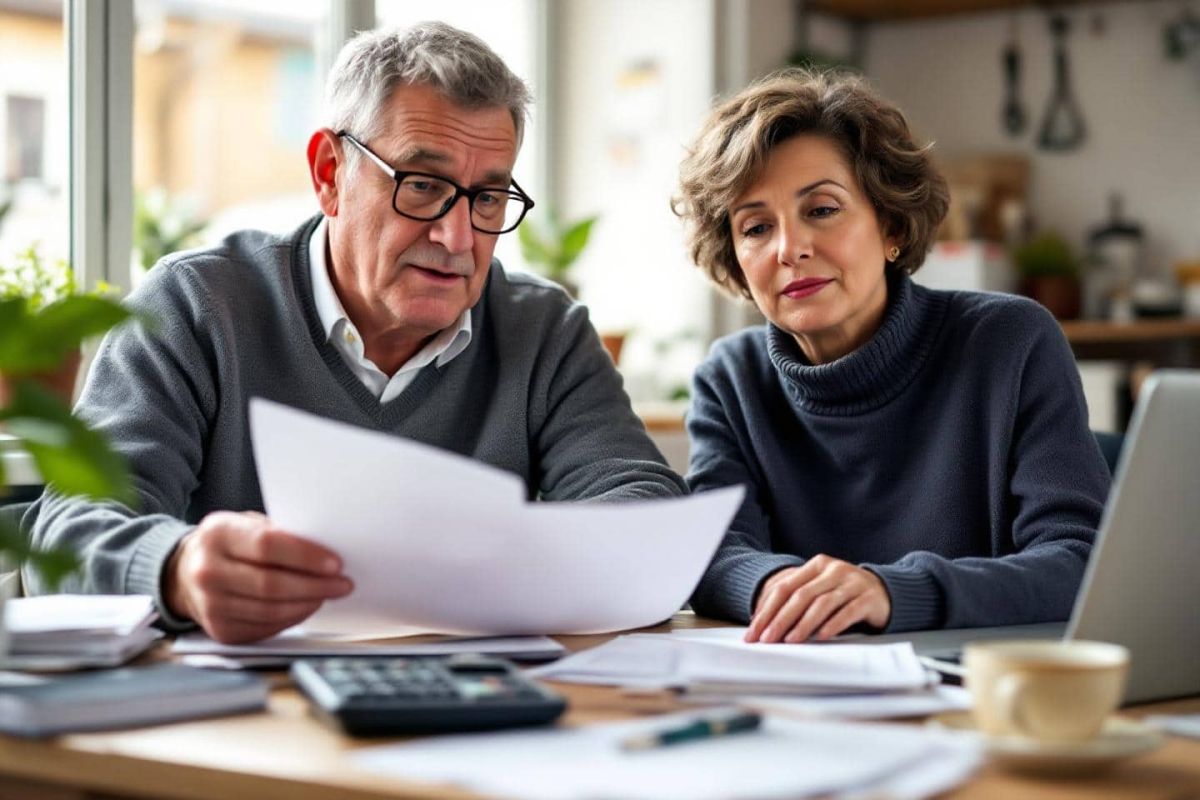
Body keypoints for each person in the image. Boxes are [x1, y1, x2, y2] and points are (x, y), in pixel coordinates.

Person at [28, 22, 684, 644]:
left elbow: (643, 509)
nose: (458, 239)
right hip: (241, 726)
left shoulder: (542, 329)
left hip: (471, 711)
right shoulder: (198, 305)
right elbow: (68, 533)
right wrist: (175, 567)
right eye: (423, 186)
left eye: (487, 199)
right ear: (329, 174)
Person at [672, 69, 1109, 644]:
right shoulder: (730, 379)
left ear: (891, 225)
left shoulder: (1010, 341)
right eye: (755, 227)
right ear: (735, 260)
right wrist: (796, 594)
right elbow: (714, 555)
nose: (789, 249)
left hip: (983, 690)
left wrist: (889, 592)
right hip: (807, 688)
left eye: (822, 209)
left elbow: (1080, 563)